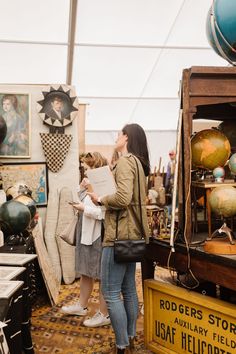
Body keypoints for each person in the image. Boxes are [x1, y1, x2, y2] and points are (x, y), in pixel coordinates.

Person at [88, 124, 150, 354]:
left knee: (111, 293)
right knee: (129, 291)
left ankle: (121, 345)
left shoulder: (124, 162)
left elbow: (123, 198)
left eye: (119, 134)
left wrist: (100, 198)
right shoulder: (138, 164)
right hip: (131, 235)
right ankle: (130, 340)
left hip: (117, 237)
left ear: (127, 137)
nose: (116, 137)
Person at [61, 152, 111, 328]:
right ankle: (82, 306)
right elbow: (85, 201)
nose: (85, 172)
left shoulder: (105, 186)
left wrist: (84, 209)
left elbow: (105, 214)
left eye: (88, 168)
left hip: (97, 236)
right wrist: (81, 189)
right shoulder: (89, 185)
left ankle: (104, 314)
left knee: (102, 275)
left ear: (96, 167)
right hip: (85, 234)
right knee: (85, 271)